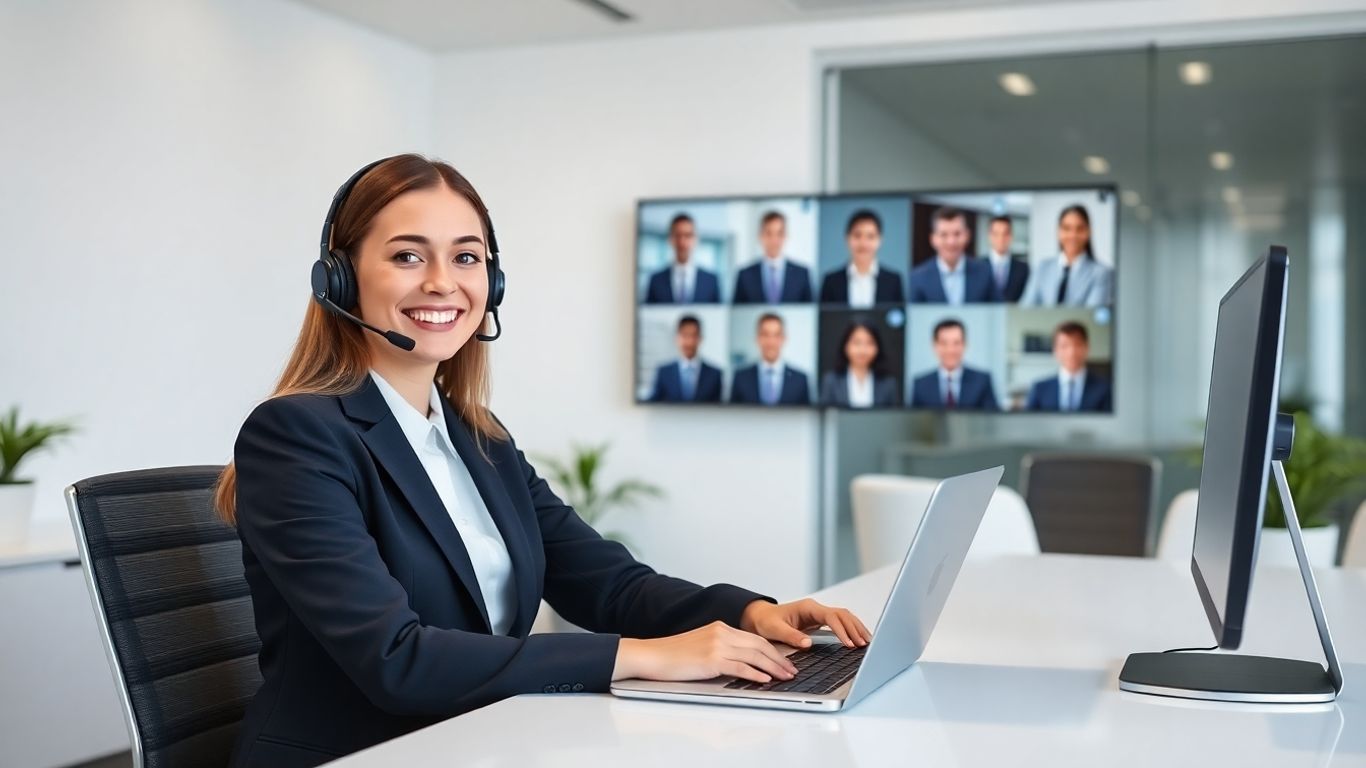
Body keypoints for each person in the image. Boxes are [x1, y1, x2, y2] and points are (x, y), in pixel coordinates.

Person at [217, 155, 868, 768]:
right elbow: (397, 659)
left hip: (483, 740)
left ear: (491, 283)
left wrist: (750, 613)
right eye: (408, 255)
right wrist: (645, 658)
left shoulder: (480, 440)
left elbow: (609, 584)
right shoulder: (296, 435)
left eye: (466, 257)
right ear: (340, 278)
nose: (443, 281)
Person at [1019, 205, 1113, 307]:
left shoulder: (1101, 273)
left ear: (1088, 232)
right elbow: (1026, 308)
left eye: (1079, 229)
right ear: (1058, 232)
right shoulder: (1042, 268)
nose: (1073, 235)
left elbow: (1092, 315)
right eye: (1067, 228)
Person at [908, 206, 1000, 304]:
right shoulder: (918, 278)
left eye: (957, 234)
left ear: (967, 235)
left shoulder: (985, 273)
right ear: (933, 239)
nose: (951, 242)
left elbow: (999, 312)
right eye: (944, 235)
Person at [818, 209, 905, 307]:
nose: (863, 243)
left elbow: (898, 319)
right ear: (847, 238)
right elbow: (825, 320)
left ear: (880, 240)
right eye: (857, 235)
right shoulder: (831, 281)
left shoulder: (893, 281)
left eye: (870, 236)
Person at [909, 319, 999, 410]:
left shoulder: (982, 381)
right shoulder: (921, 384)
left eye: (956, 343)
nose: (950, 350)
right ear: (935, 346)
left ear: (965, 345)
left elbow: (992, 421)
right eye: (944, 343)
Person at [1025, 321, 1113, 412]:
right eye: (1064, 346)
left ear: (1087, 348)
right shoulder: (1039, 389)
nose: (1071, 352)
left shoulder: (1105, 389)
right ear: (1055, 350)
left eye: (1077, 345)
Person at [732, 210, 814, 304]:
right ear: (760, 236)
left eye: (779, 233)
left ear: (786, 236)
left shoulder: (801, 274)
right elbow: (737, 313)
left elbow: (809, 313)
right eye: (769, 233)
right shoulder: (745, 275)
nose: (774, 240)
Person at [730, 313, 812, 405]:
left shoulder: (800, 380)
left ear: (784, 339)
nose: (771, 342)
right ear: (757, 338)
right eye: (765, 335)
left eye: (776, 335)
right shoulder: (741, 378)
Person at [819, 319, 899, 407]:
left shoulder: (888, 383)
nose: (862, 350)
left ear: (877, 348)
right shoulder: (831, 381)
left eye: (869, 343)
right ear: (846, 346)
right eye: (857, 343)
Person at [644, 213, 721, 303]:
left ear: (696, 239)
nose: (682, 242)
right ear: (670, 239)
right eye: (677, 235)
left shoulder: (711, 280)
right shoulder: (655, 280)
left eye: (688, 235)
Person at [649, 315, 722, 402]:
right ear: (677, 338)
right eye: (685, 335)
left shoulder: (715, 374)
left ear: (700, 339)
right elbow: (654, 403)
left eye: (694, 336)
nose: (689, 342)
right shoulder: (663, 372)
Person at [985, 215, 1030, 303]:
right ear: (989, 236)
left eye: (1005, 234)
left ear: (1011, 236)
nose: (1001, 239)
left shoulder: (1023, 269)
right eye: (996, 234)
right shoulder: (979, 267)